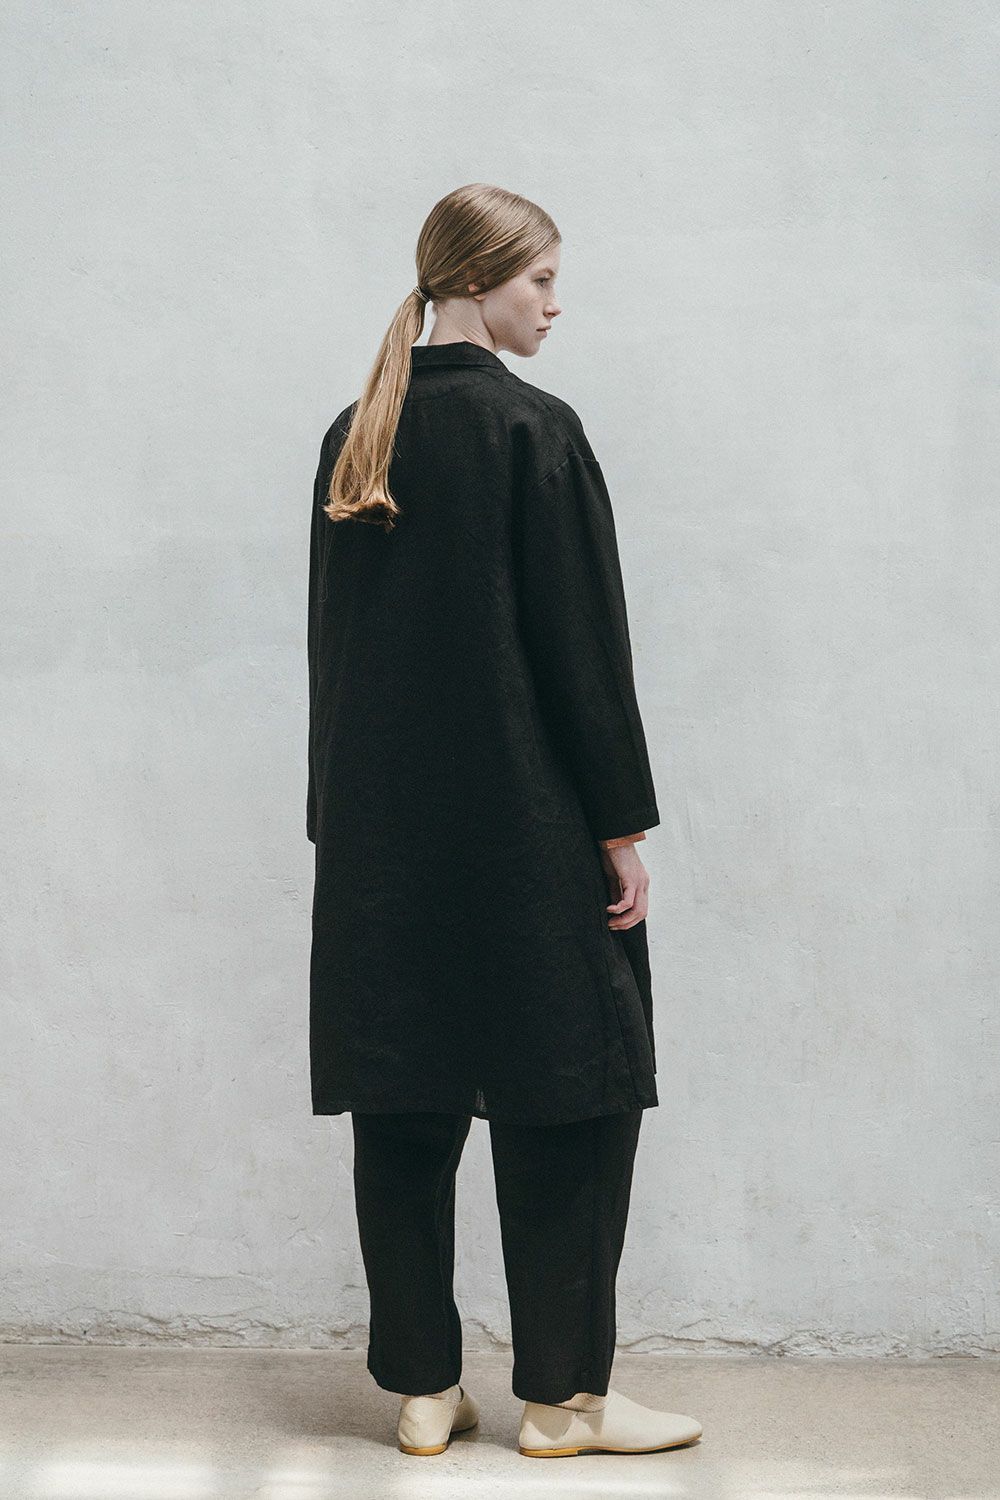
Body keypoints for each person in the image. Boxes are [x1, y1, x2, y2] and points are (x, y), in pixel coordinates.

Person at [306, 182, 702, 1458]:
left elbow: (331, 652)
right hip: (530, 833)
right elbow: (583, 650)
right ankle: (562, 1402)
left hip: (378, 841)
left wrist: (334, 826)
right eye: (540, 280)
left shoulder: (355, 433)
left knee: (403, 1101)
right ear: (479, 282)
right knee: (571, 1097)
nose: (554, 304)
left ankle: (422, 1393)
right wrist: (620, 826)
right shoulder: (535, 430)